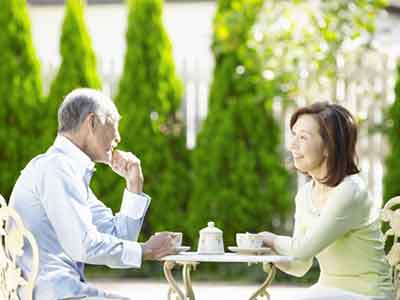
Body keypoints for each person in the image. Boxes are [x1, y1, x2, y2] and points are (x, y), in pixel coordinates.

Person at [9, 88, 178, 300]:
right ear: (92, 122)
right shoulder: (56, 168)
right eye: (113, 123)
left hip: (64, 290)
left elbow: (120, 238)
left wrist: (134, 184)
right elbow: (84, 246)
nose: (118, 137)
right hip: (55, 294)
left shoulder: (66, 171)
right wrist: (145, 250)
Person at [259, 102, 394, 299]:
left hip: (368, 294)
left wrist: (270, 239)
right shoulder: (305, 194)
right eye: (293, 135)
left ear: (328, 147)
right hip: (327, 291)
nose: (292, 145)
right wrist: (264, 252)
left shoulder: (351, 191)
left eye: (303, 137)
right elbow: (299, 265)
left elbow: (302, 249)